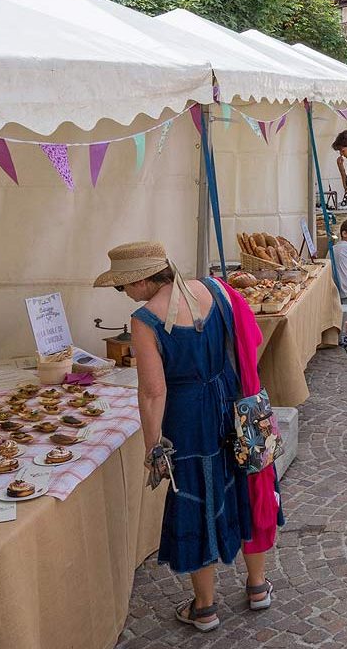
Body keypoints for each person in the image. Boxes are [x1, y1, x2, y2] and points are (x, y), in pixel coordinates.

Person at [99, 242, 274, 630]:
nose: (124, 294)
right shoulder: (213, 288)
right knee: (247, 486)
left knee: (197, 498)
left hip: (189, 418)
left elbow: (152, 391)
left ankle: (205, 607)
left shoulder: (145, 319)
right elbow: (248, 342)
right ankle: (258, 586)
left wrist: (152, 446)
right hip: (233, 405)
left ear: (142, 280)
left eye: (123, 286)